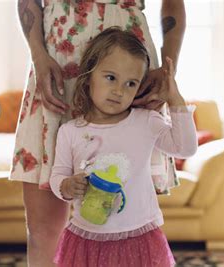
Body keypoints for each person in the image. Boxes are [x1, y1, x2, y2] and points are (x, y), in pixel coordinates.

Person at [12, 0, 185, 265]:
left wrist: (167, 71)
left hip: (130, 56)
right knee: (43, 229)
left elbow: (173, 4)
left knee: (124, 220)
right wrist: (38, 56)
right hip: (55, 59)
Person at [49, 27, 197, 267]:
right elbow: (58, 177)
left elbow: (185, 148)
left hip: (139, 236)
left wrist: (175, 99)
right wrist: (66, 186)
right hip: (87, 239)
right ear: (88, 76)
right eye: (110, 78)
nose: (119, 91)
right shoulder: (71, 132)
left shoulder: (145, 121)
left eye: (131, 83)